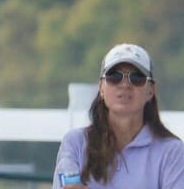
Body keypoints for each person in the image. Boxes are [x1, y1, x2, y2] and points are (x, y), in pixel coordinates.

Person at [52, 43, 184, 189]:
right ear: (101, 87)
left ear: (151, 91)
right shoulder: (75, 143)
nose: (125, 85)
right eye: (114, 76)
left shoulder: (173, 151)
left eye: (137, 77)